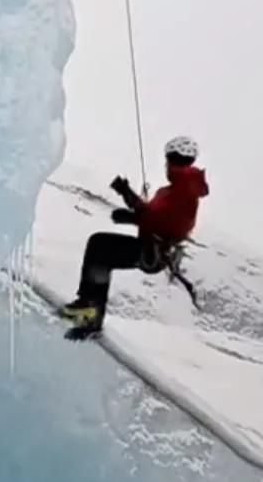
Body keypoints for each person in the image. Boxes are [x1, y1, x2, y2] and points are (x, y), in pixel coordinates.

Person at [60, 136, 209, 337]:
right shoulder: (181, 188)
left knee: (99, 246)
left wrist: (133, 217)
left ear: (172, 161)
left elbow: (167, 223)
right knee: (101, 250)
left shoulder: (183, 189)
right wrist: (127, 193)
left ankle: (90, 310)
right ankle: (91, 311)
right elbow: (154, 214)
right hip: (152, 249)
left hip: (152, 252)